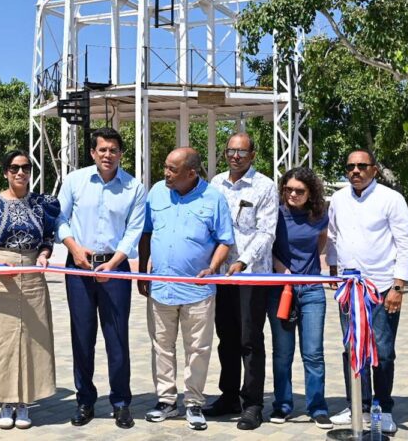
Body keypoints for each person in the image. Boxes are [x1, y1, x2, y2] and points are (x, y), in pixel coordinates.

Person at [137, 147, 233, 431]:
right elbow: (146, 232)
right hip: (161, 288)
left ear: (191, 173)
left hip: (197, 291)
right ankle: (166, 401)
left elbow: (225, 240)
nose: (166, 173)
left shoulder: (213, 198)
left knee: (198, 349)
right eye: (165, 167)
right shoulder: (156, 192)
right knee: (161, 347)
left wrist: (213, 268)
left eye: (172, 169)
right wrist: (144, 271)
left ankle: (193, 403)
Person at [57, 127, 146, 429]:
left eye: (114, 150)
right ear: (93, 153)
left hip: (116, 268)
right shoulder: (75, 181)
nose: (108, 154)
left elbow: (134, 230)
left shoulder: (134, 187)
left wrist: (116, 262)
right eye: (102, 149)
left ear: (121, 154)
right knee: (82, 339)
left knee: (117, 338)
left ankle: (120, 402)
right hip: (79, 267)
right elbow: (59, 218)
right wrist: (73, 248)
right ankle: (85, 401)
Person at [0, 150, 59, 430]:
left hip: (31, 277)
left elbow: (47, 238)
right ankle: (4, 402)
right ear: (6, 171)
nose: (21, 173)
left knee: (33, 339)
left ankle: (25, 403)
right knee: (0, 341)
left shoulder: (43, 204)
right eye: (15, 168)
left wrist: (44, 255)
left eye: (26, 168)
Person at [326, 149, 408, 435]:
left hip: (381, 288)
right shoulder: (339, 198)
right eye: (350, 166)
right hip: (349, 289)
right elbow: (333, 236)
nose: (355, 171)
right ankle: (358, 406)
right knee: (352, 348)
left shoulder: (391, 199)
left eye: (362, 166)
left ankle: (382, 408)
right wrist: (332, 270)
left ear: (374, 170)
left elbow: (406, 242)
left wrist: (398, 286)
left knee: (383, 351)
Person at [206, 132, 277, 430]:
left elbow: (266, 232)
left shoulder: (266, 186)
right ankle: (229, 396)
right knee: (227, 338)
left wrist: (242, 261)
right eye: (230, 151)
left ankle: (253, 404)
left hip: (251, 273)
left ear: (253, 155)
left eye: (241, 152)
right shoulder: (215, 183)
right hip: (221, 275)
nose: (235, 156)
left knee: (250, 339)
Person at [266, 167, 332, 429]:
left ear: (310, 193)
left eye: (299, 190)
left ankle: (317, 407)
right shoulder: (275, 214)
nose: (292, 194)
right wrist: (284, 270)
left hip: (313, 290)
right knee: (282, 353)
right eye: (288, 189)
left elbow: (321, 242)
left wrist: (307, 269)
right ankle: (282, 405)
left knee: (313, 353)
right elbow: (267, 244)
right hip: (281, 290)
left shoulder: (319, 216)